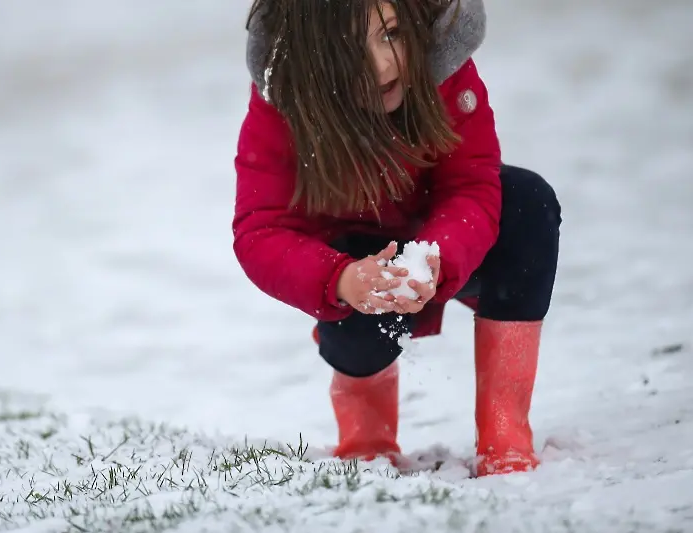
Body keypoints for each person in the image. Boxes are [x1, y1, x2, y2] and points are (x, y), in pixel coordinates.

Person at [232, 0, 561, 477]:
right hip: (351, 264)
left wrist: (436, 257)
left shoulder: (444, 70)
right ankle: (367, 439)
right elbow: (261, 229)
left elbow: (471, 184)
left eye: (392, 33)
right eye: (350, 46)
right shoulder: (284, 101)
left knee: (527, 201)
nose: (382, 64)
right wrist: (340, 279)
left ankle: (504, 432)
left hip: (440, 241)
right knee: (357, 307)